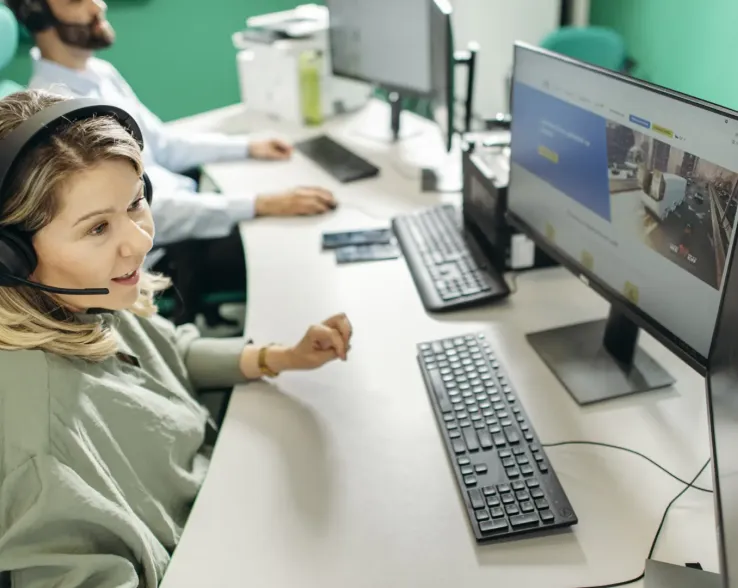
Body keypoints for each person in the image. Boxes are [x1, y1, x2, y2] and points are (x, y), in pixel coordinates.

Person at [0, 89, 353, 587]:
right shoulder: (34, 437)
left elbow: (170, 352)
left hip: (226, 500)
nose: (141, 240)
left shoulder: (84, 297)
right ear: (9, 257)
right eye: (98, 227)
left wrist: (278, 357)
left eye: (136, 203)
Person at [6, 0, 338, 327]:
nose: (99, 6)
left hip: (172, 208)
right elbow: (148, 212)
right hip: (168, 239)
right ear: (37, 14)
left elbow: (162, 145)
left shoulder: (98, 73)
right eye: (76, 0)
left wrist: (248, 147)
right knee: (290, 243)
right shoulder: (54, 116)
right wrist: (261, 204)